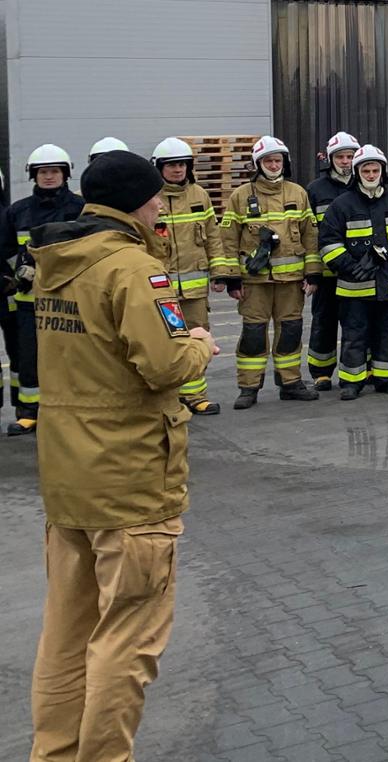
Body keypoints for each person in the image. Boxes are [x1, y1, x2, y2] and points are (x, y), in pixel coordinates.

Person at [28, 151, 217, 762]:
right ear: (136, 201)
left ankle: (53, 754)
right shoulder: (133, 268)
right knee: (126, 642)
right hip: (130, 482)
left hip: (69, 479)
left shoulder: (54, 264)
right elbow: (161, 365)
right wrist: (198, 344)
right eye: (156, 196)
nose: (163, 204)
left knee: (66, 636)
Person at [220, 135, 321, 409]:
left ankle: (290, 383)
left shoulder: (298, 193)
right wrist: (231, 278)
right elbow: (227, 239)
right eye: (268, 160)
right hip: (255, 283)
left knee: (290, 331)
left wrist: (312, 274)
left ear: (284, 163)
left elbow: (310, 235)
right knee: (253, 334)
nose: (273, 165)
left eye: (277, 160)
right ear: (258, 163)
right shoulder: (240, 196)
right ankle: (249, 387)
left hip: (291, 282)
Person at [317, 145, 388, 399]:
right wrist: (351, 268)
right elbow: (328, 243)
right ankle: (352, 382)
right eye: (366, 170)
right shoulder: (341, 205)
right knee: (354, 335)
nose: (371, 175)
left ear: (383, 172)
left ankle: (384, 377)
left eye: (375, 170)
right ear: (358, 172)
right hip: (354, 288)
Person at [2, 144, 86, 434]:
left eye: (54, 171)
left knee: (72, 355)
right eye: (43, 172)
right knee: (30, 356)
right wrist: (20, 270)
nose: (49, 177)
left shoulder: (80, 209)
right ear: (33, 176)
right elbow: (7, 248)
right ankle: (30, 412)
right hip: (29, 299)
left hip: (70, 297)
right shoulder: (18, 211)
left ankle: (73, 410)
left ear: (65, 174)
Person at [151, 137, 222, 414]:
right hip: (161, 290)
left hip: (194, 291)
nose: (177, 170)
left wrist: (221, 272)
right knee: (164, 343)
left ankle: (196, 396)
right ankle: (167, 399)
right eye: (171, 165)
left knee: (198, 340)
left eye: (181, 164)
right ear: (159, 168)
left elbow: (213, 237)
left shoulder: (199, 195)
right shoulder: (150, 199)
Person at [303, 131, 361, 390]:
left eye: (350, 156)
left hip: (359, 272)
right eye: (341, 157)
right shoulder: (316, 190)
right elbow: (310, 234)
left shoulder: (365, 185)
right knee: (324, 322)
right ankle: (322, 372)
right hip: (327, 274)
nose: (346, 161)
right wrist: (313, 273)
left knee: (357, 324)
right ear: (330, 159)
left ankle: (359, 369)